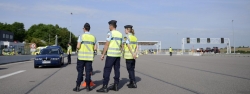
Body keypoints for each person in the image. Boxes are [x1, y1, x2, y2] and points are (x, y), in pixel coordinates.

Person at [97, 20, 123, 93]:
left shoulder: (110, 33)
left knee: (107, 70)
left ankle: (105, 86)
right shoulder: (120, 34)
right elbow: (122, 46)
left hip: (111, 55)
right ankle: (116, 85)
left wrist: (103, 54)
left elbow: (107, 44)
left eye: (109, 26)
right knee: (117, 70)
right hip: (118, 55)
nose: (109, 27)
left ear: (111, 26)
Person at [73, 23, 97, 92]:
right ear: (89, 29)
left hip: (81, 57)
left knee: (80, 72)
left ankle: (77, 87)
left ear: (84, 28)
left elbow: (78, 46)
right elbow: (95, 48)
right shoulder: (93, 37)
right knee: (88, 72)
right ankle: (88, 87)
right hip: (89, 58)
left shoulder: (81, 36)